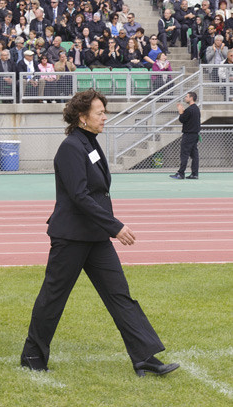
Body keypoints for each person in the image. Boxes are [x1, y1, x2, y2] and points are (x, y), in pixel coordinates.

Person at [20, 89, 178, 377]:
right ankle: (32, 355)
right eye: (99, 113)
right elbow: (80, 196)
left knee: (120, 295)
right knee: (53, 297)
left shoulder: (89, 143)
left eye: (104, 111)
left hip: (95, 237)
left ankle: (144, 356)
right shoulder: (71, 146)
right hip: (70, 237)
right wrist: (115, 226)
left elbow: (97, 190)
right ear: (82, 118)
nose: (104, 117)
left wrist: (107, 228)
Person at [170, 92, 200, 180]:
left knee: (184, 154)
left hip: (188, 135)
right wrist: (183, 111)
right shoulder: (196, 109)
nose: (185, 98)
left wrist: (181, 112)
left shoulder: (190, 109)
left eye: (187, 97)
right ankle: (194, 174)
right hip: (194, 135)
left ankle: (181, 173)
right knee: (194, 155)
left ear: (191, 98)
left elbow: (182, 119)